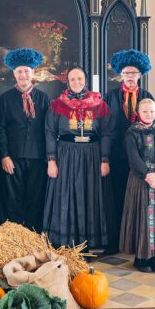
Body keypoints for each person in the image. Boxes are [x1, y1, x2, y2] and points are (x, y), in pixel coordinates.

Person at [42, 67, 112, 250]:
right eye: (72, 79)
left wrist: (105, 160)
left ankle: (90, 241)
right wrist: (51, 160)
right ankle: (67, 240)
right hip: (66, 153)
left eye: (79, 78)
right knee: (67, 194)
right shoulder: (57, 105)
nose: (76, 82)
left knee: (90, 193)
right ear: (67, 82)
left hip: (92, 154)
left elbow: (106, 133)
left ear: (85, 80)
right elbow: (50, 132)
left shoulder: (99, 105)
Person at [105, 49, 155, 254]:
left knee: (139, 199)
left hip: (142, 159)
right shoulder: (110, 96)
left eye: (134, 73)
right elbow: (105, 129)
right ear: (121, 75)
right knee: (116, 196)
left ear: (140, 75)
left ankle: (137, 241)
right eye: (127, 73)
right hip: (117, 156)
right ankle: (115, 241)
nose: (131, 77)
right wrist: (105, 157)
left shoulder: (147, 96)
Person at [0, 48, 50, 232]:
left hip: (38, 158)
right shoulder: (4, 99)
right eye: (19, 71)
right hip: (13, 158)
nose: (23, 74)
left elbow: (48, 130)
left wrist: (49, 158)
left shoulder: (44, 99)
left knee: (35, 199)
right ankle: (15, 238)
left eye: (26, 70)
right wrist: (4, 156)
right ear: (14, 74)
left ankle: (33, 238)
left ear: (33, 72)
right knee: (12, 199)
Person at [119, 99, 155, 273]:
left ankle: (154, 255)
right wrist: (148, 176)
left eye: (151, 111)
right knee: (142, 217)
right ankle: (141, 257)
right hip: (140, 180)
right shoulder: (132, 133)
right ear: (138, 113)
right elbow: (133, 158)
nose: (148, 114)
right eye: (145, 111)